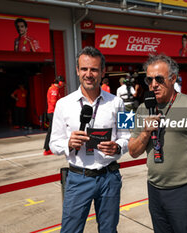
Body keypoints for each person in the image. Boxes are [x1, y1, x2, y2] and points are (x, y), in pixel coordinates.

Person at [128, 54, 187, 233]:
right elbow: (133, 152)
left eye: (159, 79)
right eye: (149, 79)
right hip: (155, 190)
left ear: (173, 79)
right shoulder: (144, 108)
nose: (153, 85)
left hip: (184, 192)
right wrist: (145, 132)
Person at [49, 46, 130, 233]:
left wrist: (117, 147)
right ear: (77, 71)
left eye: (94, 69)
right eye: (84, 69)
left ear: (102, 72)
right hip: (78, 178)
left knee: (109, 230)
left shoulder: (118, 103)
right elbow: (53, 144)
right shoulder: (63, 104)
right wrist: (68, 143)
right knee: (70, 230)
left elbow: (128, 137)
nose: (89, 74)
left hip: (109, 177)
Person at [43, 76, 64, 156]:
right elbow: (53, 102)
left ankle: (47, 148)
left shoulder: (52, 88)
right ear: (60, 82)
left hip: (51, 112)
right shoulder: (54, 90)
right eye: (63, 82)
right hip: (53, 112)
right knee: (52, 131)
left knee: (51, 131)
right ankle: (48, 149)